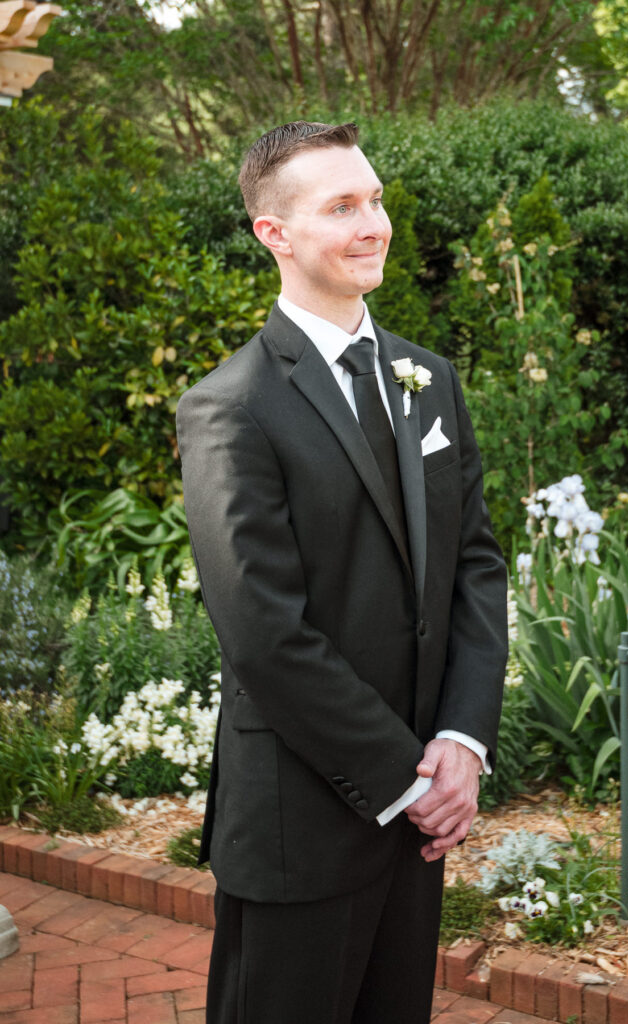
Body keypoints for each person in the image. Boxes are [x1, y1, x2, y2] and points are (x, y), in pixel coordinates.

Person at [176, 120, 508, 1024]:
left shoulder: (427, 380)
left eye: (375, 198)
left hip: (418, 822)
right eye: (342, 206)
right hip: (304, 825)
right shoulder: (230, 407)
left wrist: (462, 744)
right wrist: (407, 779)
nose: (375, 224)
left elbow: (473, 565)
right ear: (272, 234)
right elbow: (263, 632)